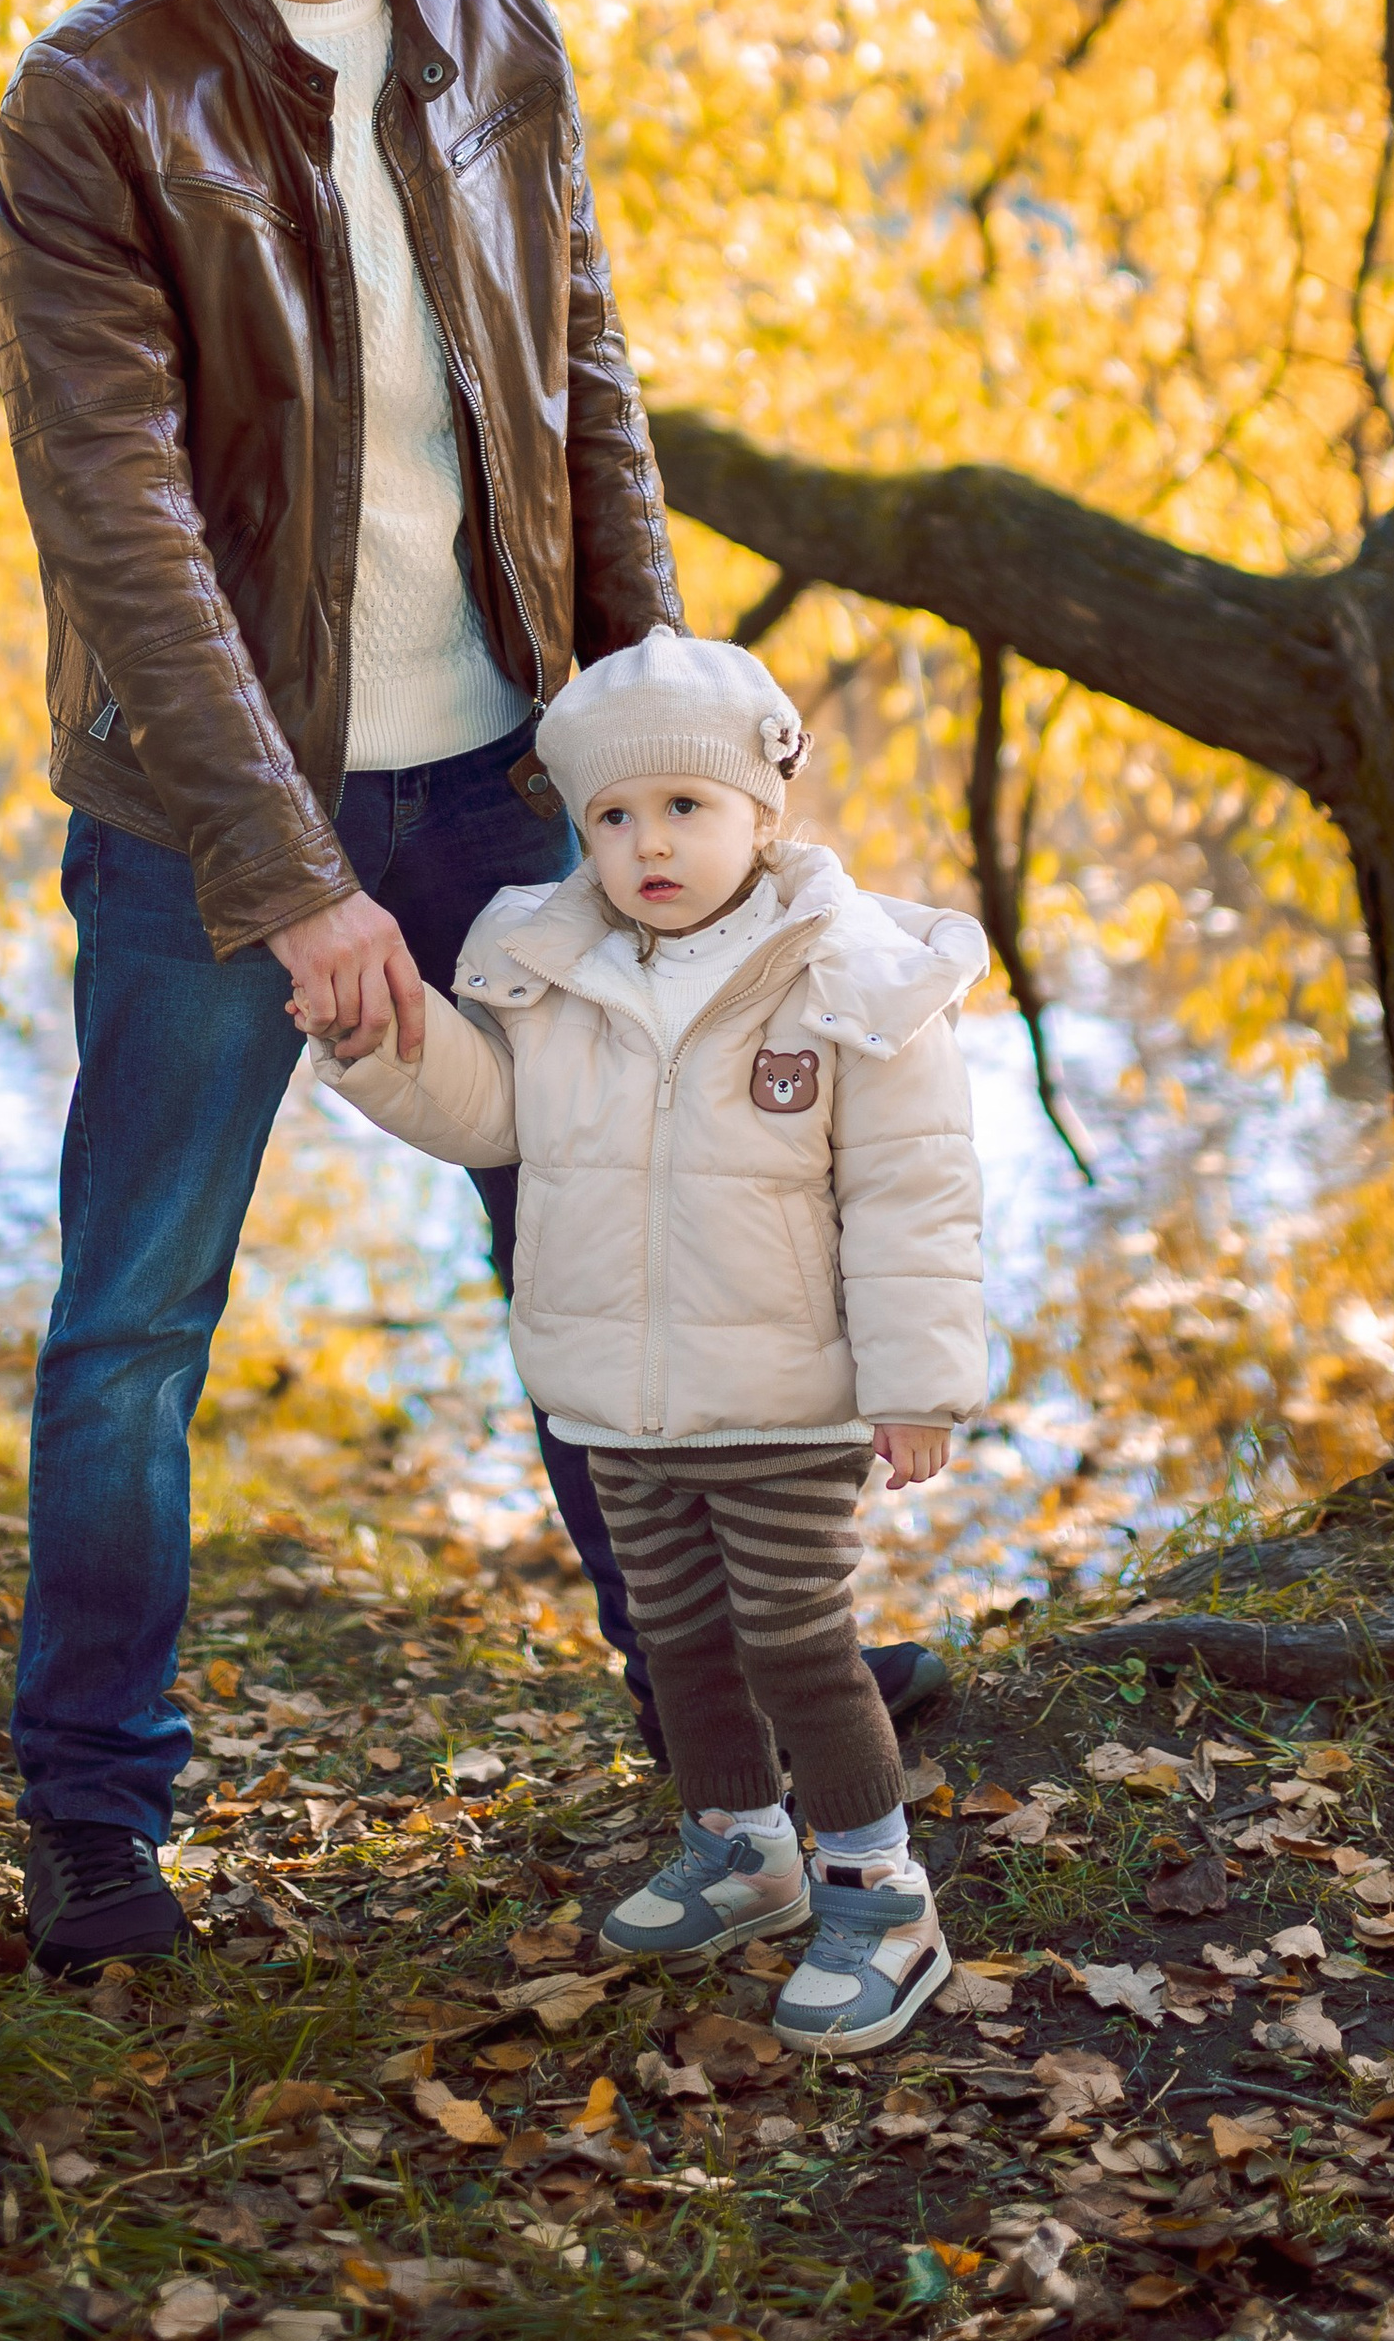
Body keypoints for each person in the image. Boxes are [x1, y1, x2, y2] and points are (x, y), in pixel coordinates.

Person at [0, 0, 686, 1974]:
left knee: (605, 1260)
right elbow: (123, 527)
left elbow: (581, 378)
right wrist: (289, 880)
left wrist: (650, 727)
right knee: (135, 1324)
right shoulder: (95, 99)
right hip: (209, 823)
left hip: (497, 779)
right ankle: (92, 1823)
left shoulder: (493, 33)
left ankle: (716, 1714)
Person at [306, 627, 989, 2055]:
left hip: (789, 1393)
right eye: (614, 817)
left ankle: (883, 1897)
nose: (648, 843)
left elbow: (914, 1191)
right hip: (617, 1397)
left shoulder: (851, 977)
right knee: (679, 1637)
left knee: (796, 1639)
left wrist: (919, 1384)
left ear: (763, 812)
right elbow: (490, 1119)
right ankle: (743, 1849)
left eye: (685, 807)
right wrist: (384, 1046)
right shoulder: (551, 970)